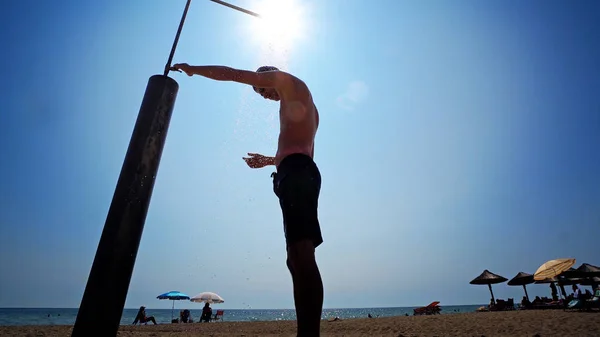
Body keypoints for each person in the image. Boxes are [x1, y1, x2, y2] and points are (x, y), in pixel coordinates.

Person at [171, 62, 323, 336]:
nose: (262, 95)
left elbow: (233, 75)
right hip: (295, 172)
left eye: (261, 89)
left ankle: (309, 334)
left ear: (268, 76)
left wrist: (194, 69)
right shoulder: (299, 103)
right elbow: (298, 146)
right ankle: (305, 330)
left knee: (301, 253)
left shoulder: (288, 82)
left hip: (299, 173)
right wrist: (268, 161)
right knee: (294, 258)